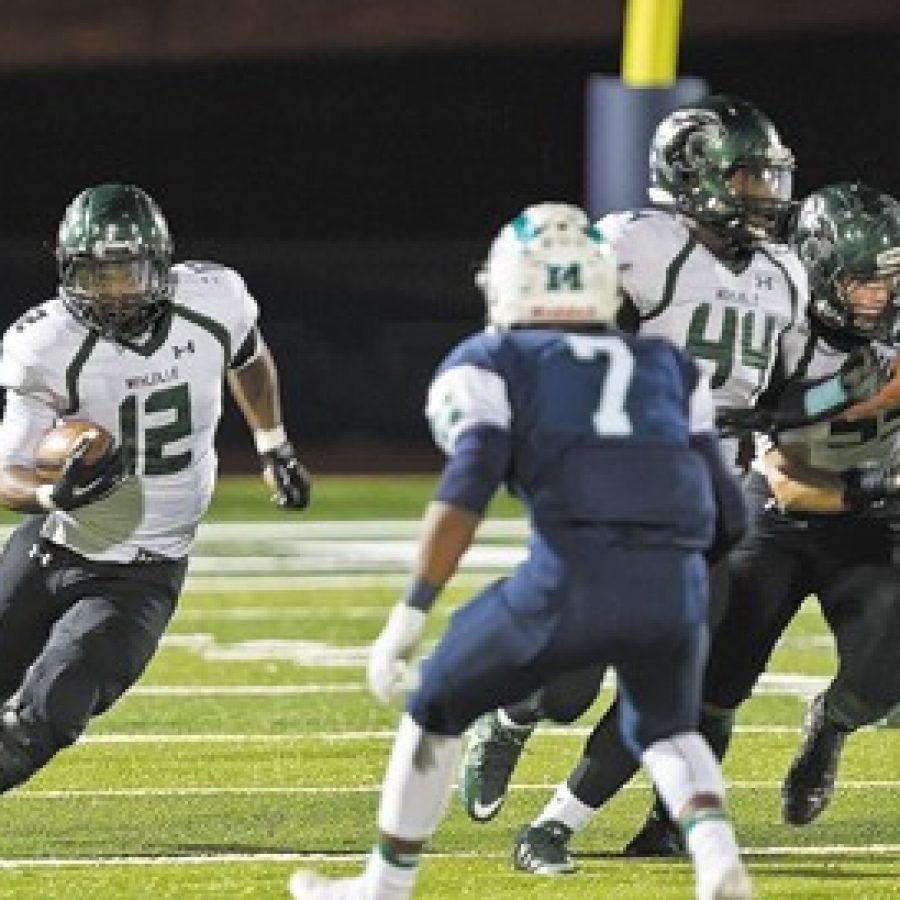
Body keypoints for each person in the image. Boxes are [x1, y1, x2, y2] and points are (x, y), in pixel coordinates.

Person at [458, 96, 891, 869]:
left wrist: (834, 397)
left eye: (770, 176)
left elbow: (776, 409)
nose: (767, 192)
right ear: (697, 176)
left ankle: (552, 829)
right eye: (750, 176)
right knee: (568, 690)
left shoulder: (783, 275)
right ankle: (513, 715)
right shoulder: (642, 242)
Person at [288, 201, 753, 900]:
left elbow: (467, 486)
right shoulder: (667, 363)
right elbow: (730, 513)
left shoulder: (493, 360)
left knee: (435, 706)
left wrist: (411, 613)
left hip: (568, 576)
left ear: (509, 282)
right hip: (673, 581)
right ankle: (717, 864)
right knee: (666, 729)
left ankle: (382, 885)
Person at [0, 182, 310, 794]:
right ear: (69, 273)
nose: (115, 294)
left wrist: (272, 440)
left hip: (142, 570)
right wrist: (48, 495)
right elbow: (6, 467)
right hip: (53, 543)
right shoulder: (46, 344)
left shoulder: (214, 300)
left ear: (162, 265)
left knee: (47, 713)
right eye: (98, 277)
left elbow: (248, 356)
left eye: (130, 273)